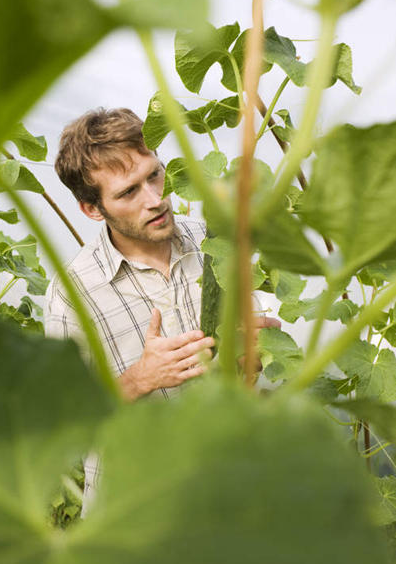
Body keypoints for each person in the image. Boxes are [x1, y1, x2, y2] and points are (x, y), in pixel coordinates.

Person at [44, 107, 278, 508]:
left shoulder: (218, 244)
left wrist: (256, 350)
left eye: (154, 175)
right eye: (128, 192)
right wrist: (140, 379)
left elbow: (259, 364)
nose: (155, 199)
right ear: (92, 209)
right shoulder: (72, 293)